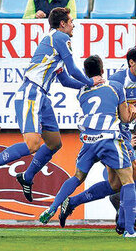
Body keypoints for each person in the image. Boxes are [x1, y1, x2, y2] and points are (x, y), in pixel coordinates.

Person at [0, 7, 104, 202]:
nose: (74, 25)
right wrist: (90, 82)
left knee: (54, 143)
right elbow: (73, 69)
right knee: (33, 145)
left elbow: (65, 81)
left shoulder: (54, 44)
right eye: (71, 21)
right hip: (31, 92)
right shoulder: (61, 39)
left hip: (41, 96)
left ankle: (27, 176)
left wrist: (86, 87)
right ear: (62, 24)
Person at [39, 55, 136, 238]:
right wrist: (133, 111)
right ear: (102, 70)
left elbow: (68, 81)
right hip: (110, 137)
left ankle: (56, 206)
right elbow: (124, 118)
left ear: (85, 73)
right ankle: (128, 229)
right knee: (128, 180)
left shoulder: (82, 90)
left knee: (83, 177)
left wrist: (59, 70)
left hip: (88, 139)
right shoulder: (116, 85)